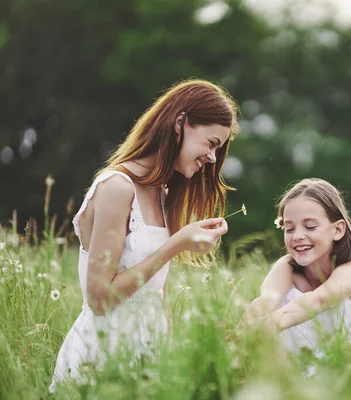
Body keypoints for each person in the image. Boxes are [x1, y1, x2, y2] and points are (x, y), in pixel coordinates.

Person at [49, 79, 238, 392]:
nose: (213, 158)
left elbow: (157, 292)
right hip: (100, 359)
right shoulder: (116, 187)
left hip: (147, 360)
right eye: (211, 143)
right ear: (180, 124)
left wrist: (168, 358)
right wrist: (176, 245)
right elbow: (99, 300)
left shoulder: (162, 195)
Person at [242, 178, 351, 358]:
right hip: (305, 353)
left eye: (310, 226)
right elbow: (266, 300)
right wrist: (241, 333)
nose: (297, 236)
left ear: (338, 230)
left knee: (337, 304)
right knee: (280, 305)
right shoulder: (287, 266)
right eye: (289, 229)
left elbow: (319, 301)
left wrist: (269, 324)